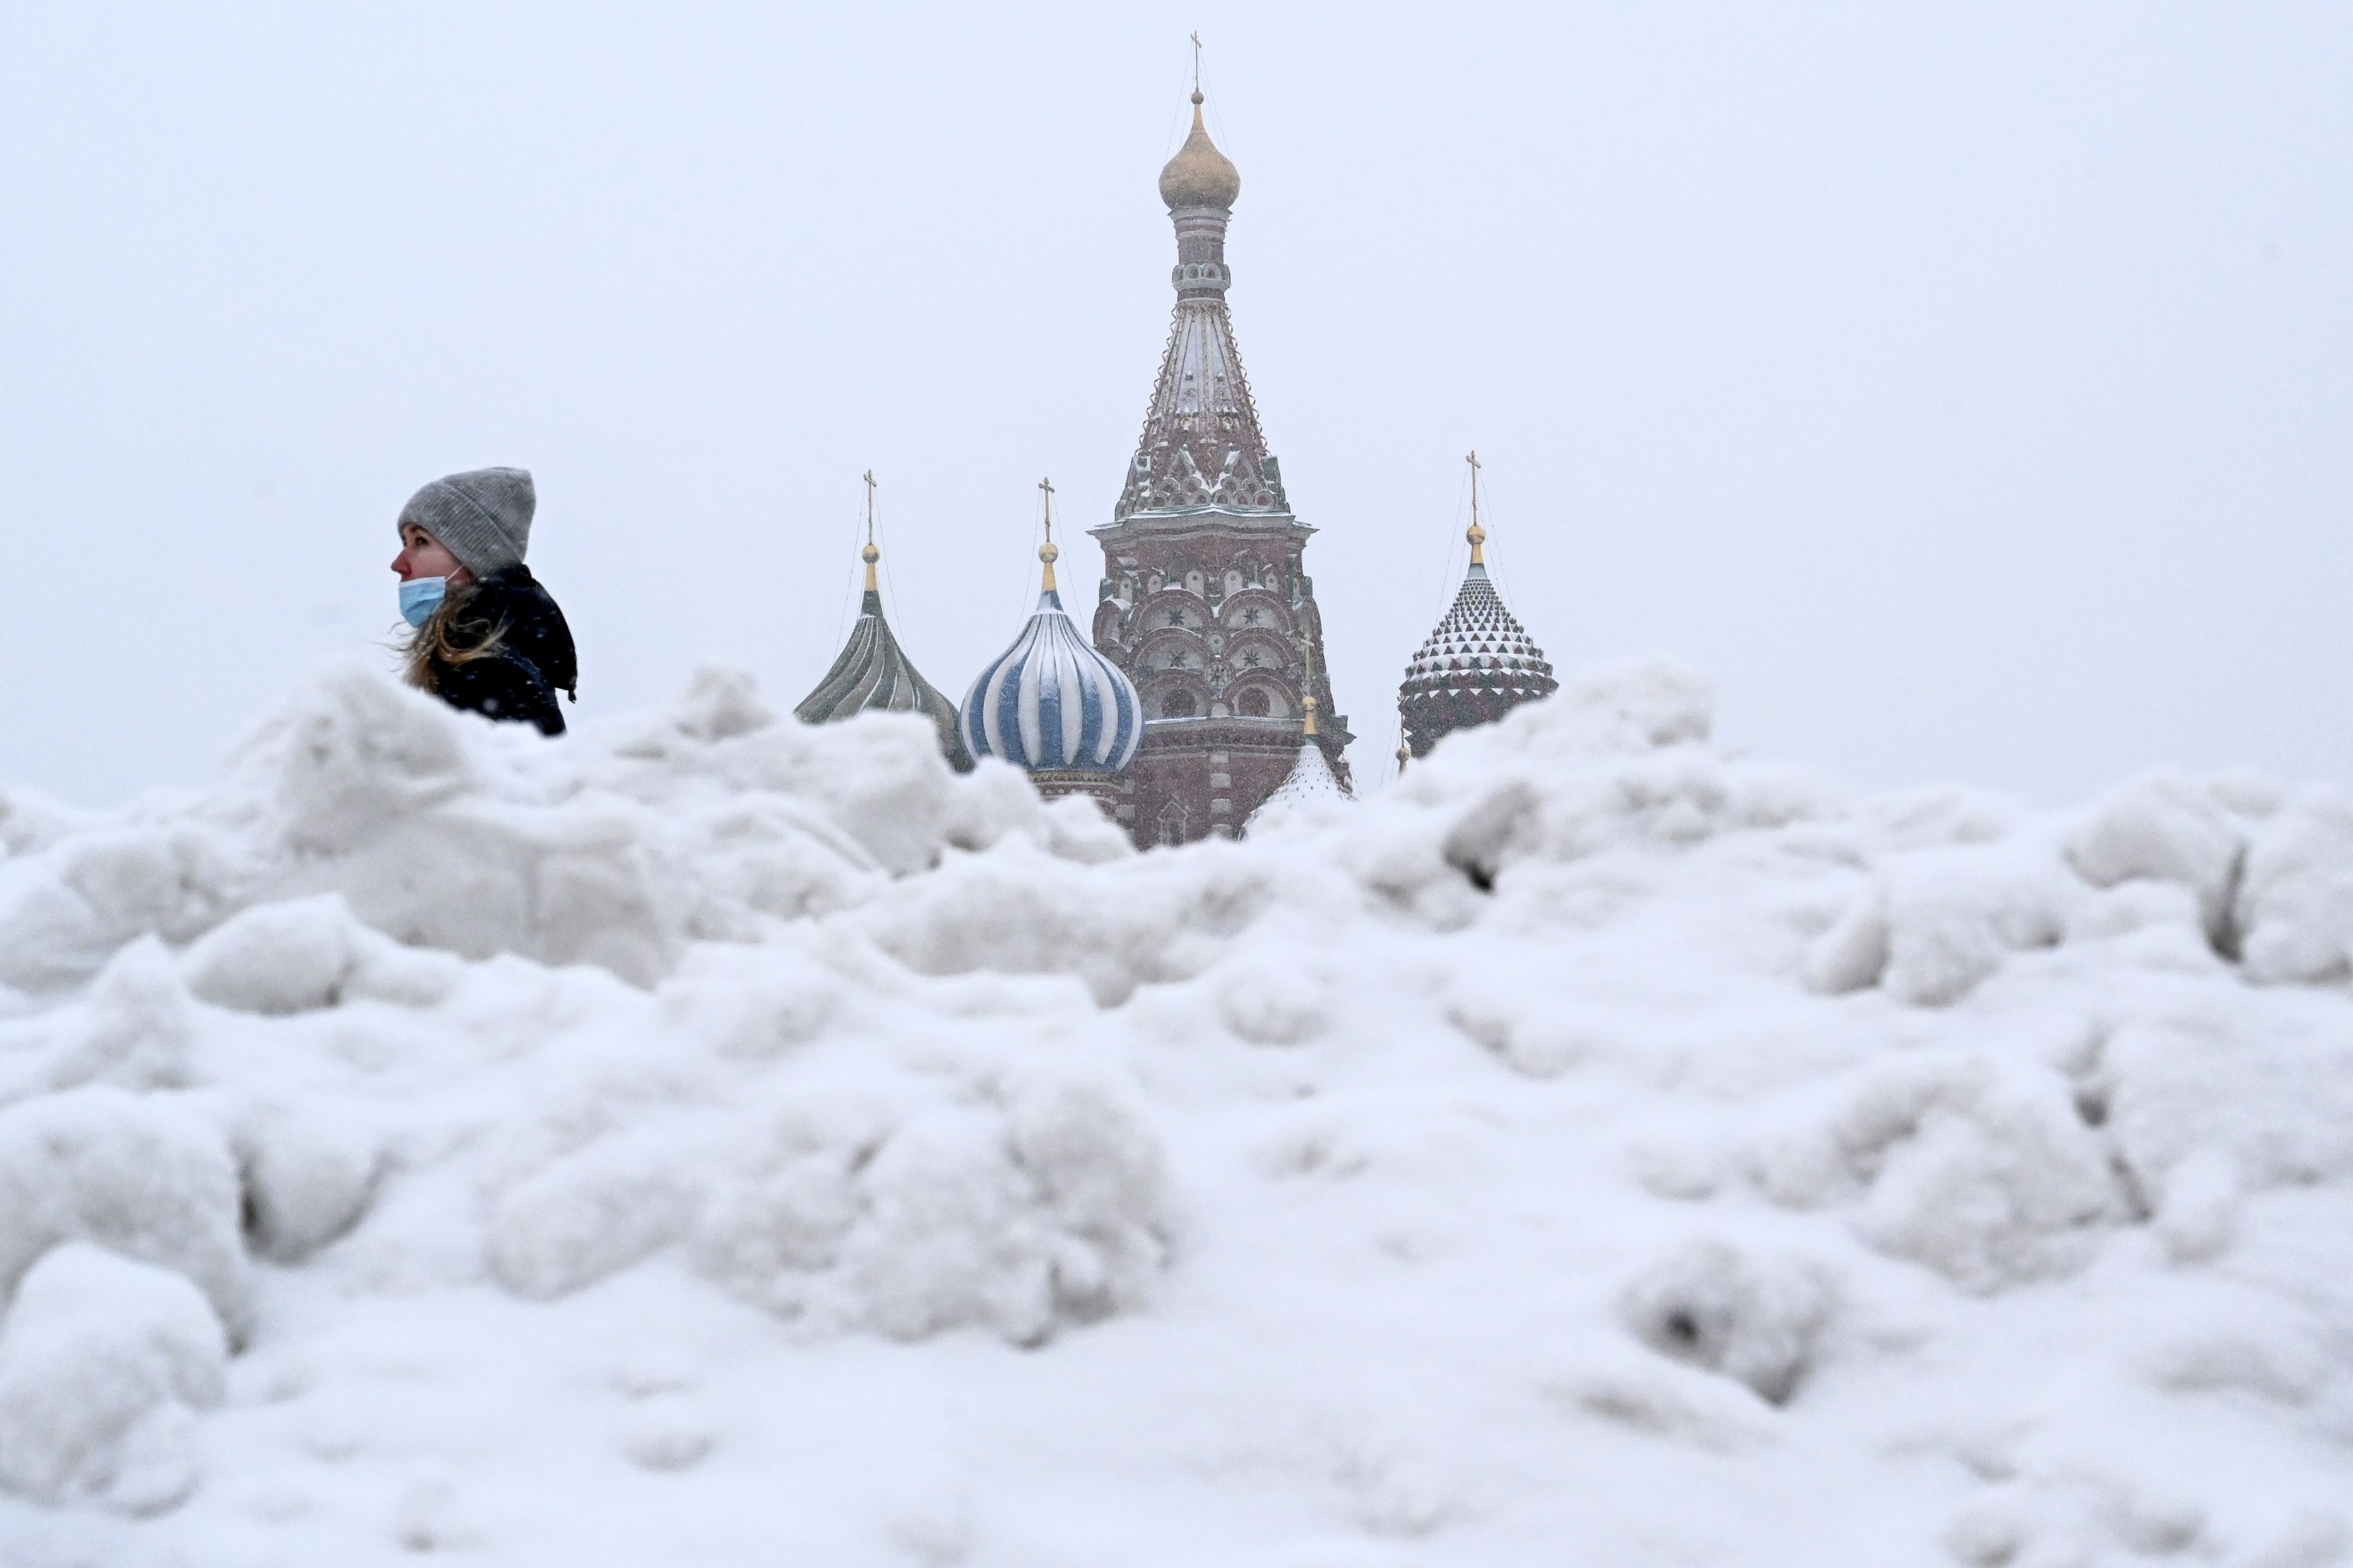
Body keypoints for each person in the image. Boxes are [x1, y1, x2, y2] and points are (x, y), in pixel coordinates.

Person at [389, 466, 577, 735]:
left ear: (474, 560)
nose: (399, 565)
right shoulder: (483, 667)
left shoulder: (489, 676)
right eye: (404, 542)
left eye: (421, 541)